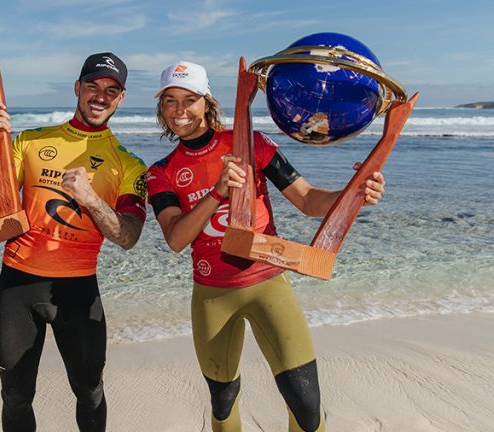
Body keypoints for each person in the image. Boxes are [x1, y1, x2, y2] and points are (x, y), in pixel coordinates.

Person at [146, 61, 386, 432]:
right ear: (161, 108)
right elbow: (176, 239)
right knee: (223, 402)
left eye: (189, 99)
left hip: (268, 284)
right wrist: (218, 192)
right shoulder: (161, 172)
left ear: (207, 102)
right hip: (212, 295)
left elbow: (307, 199)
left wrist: (354, 194)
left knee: (306, 405)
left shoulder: (250, 144)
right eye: (170, 101)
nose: (180, 110)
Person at [0, 52, 147, 432]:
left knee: (89, 391)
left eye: (111, 91)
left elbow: (128, 237)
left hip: (78, 290)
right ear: (77, 88)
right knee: (15, 395)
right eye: (93, 86)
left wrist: (91, 200)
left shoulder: (129, 164)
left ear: (121, 99)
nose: (100, 96)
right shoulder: (30, 141)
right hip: (18, 284)